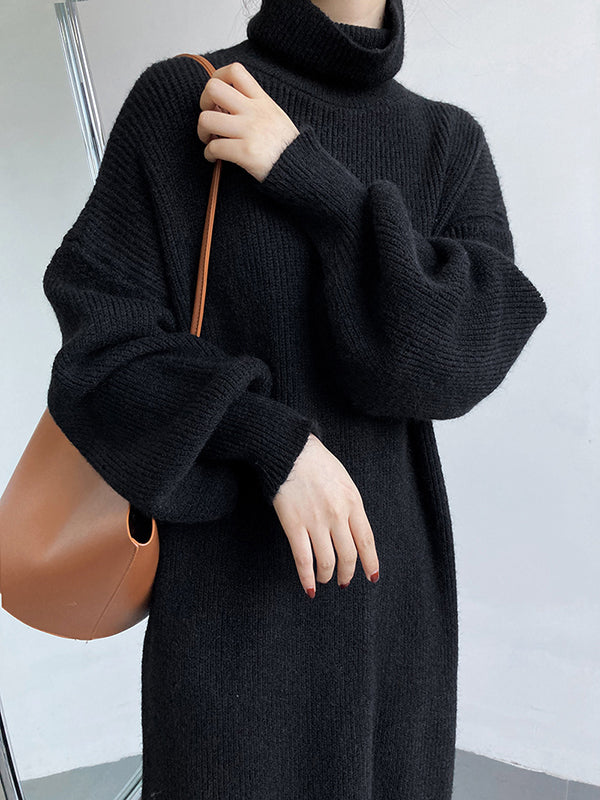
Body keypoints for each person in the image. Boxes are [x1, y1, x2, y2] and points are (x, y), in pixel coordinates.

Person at [41, 0, 548, 797]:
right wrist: (270, 441)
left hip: (393, 627)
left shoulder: (447, 143)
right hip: (232, 620)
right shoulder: (192, 101)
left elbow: (450, 361)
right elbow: (100, 352)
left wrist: (307, 177)